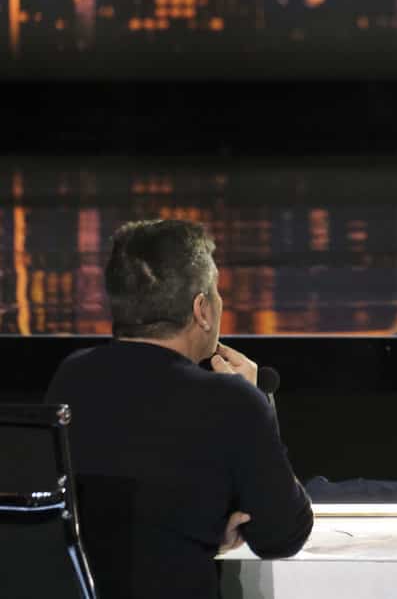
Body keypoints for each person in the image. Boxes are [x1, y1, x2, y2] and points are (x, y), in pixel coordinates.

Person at [45, 219, 314, 599]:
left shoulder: (72, 377)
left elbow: (100, 520)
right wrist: (258, 401)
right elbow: (282, 535)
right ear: (201, 309)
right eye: (217, 291)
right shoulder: (231, 401)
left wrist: (194, 527)